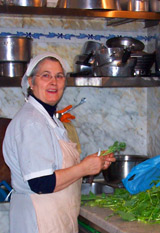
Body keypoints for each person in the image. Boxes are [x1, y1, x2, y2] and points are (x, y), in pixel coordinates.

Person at [2, 52, 115, 233]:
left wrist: (94, 163)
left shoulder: (50, 120)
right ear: (31, 82)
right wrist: (85, 168)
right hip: (39, 219)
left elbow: (56, 168)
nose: (53, 82)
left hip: (54, 216)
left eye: (59, 76)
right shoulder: (32, 122)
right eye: (46, 76)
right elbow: (41, 183)